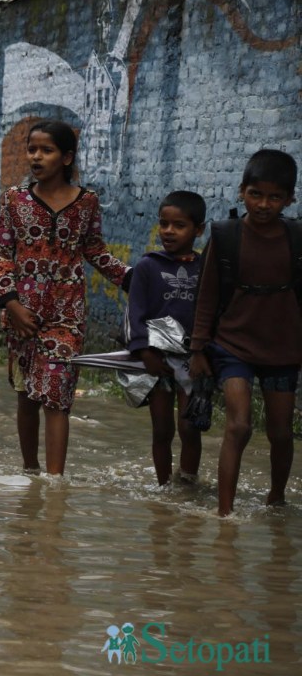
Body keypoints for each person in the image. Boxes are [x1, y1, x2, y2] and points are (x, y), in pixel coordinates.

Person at [0, 119, 129, 476]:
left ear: (66, 157)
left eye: (46, 150)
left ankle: (54, 486)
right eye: (32, 149)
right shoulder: (13, 200)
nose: (36, 157)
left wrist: (134, 279)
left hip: (66, 315)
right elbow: (4, 254)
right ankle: (30, 472)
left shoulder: (87, 202)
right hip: (21, 312)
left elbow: (95, 251)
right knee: (27, 396)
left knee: (57, 396)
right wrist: (11, 304)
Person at [190, 149, 301, 516]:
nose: (264, 204)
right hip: (232, 344)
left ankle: (276, 498)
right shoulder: (225, 236)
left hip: (283, 347)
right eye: (256, 194)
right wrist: (198, 349)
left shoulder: (296, 238)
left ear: (290, 199)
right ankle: (225, 515)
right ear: (241, 191)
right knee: (238, 425)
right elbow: (206, 296)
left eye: (275, 197)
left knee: (282, 433)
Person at [124, 190, 206, 486]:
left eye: (179, 225)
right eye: (164, 224)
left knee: (189, 427)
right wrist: (144, 352)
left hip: (192, 359)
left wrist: (205, 353)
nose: (169, 231)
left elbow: (212, 313)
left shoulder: (204, 268)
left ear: (199, 230)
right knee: (162, 429)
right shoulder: (148, 266)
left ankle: (187, 484)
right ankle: (163, 488)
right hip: (156, 360)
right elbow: (136, 313)